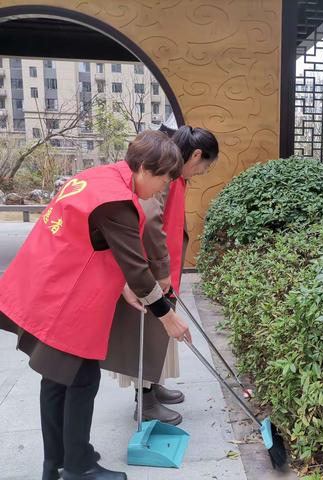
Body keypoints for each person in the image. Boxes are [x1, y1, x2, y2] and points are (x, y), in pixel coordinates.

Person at [0, 130, 192, 480]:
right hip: (63, 297)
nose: (164, 187)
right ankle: (78, 468)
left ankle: (57, 462)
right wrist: (168, 317)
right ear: (146, 169)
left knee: (56, 379)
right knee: (81, 378)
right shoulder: (116, 202)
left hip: (46, 284)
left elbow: (92, 239)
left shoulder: (96, 178)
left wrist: (120, 287)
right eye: (164, 179)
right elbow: (137, 268)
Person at [101, 125, 219, 424]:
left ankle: (153, 387)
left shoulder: (173, 175)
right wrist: (162, 272)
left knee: (157, 337)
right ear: (195, 155)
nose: (202, 172)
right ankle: (146, 401)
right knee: (148, 335)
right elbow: (152, 221)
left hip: (164, 271)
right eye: (205, 166)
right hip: (152, 273)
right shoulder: (166, 175)